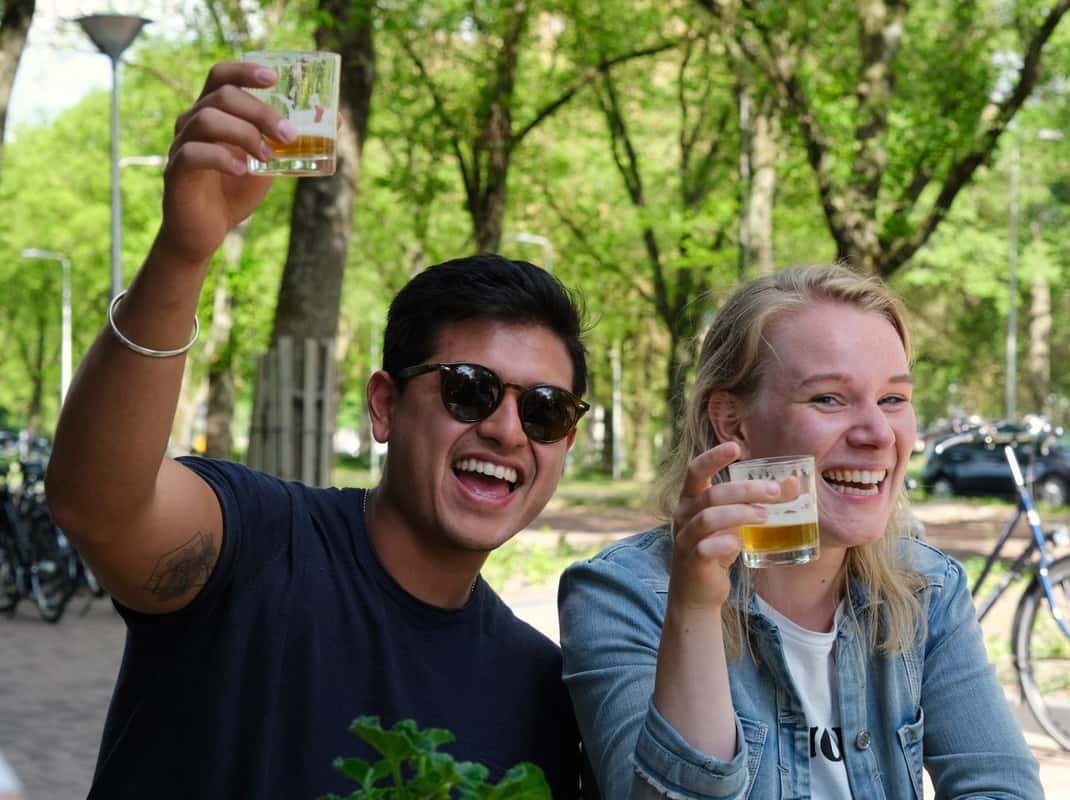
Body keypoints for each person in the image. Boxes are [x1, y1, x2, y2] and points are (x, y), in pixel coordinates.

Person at [45, 61, 588, 799]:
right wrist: (183, 253)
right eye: (469, 390)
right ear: (384, 406)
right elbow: (99, 505)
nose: (505, 429)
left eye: (545, 409)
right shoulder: (257, 547)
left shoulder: (539, 690)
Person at [558, 264, 1043, 799]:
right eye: (828, 399)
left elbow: (1001, 788)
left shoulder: (926, 587)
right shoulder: (621, 595)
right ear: (731, 421)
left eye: (893, 399)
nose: (878, 434)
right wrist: (693, 609)